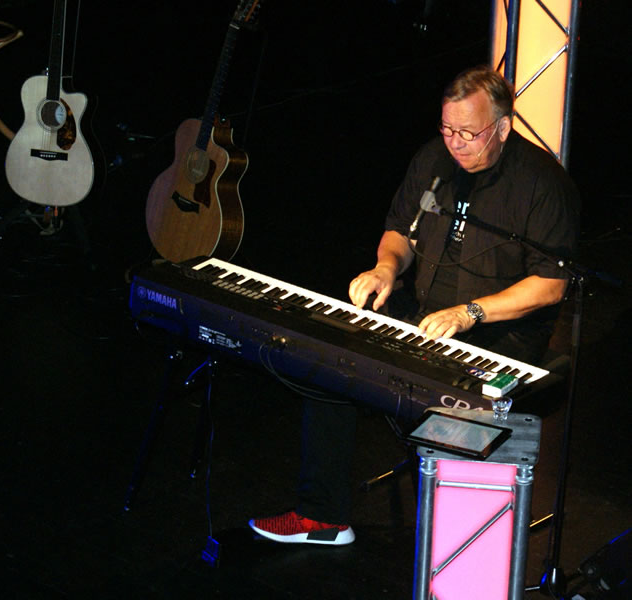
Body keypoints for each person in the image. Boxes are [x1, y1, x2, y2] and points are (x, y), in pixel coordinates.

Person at [248, 65, 580, 545]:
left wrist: (471, 312)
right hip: (423, 312)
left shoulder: (543, 185)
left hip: (498, 334)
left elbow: (550, 285)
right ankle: (322, 517)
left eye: (469, 132)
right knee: (327, 360)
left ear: (504, 127)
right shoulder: (432, 159)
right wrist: (386, 267)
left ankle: (458, 549)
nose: (456, 143)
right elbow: (399, 230)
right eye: (447, 129)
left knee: (456, 407)